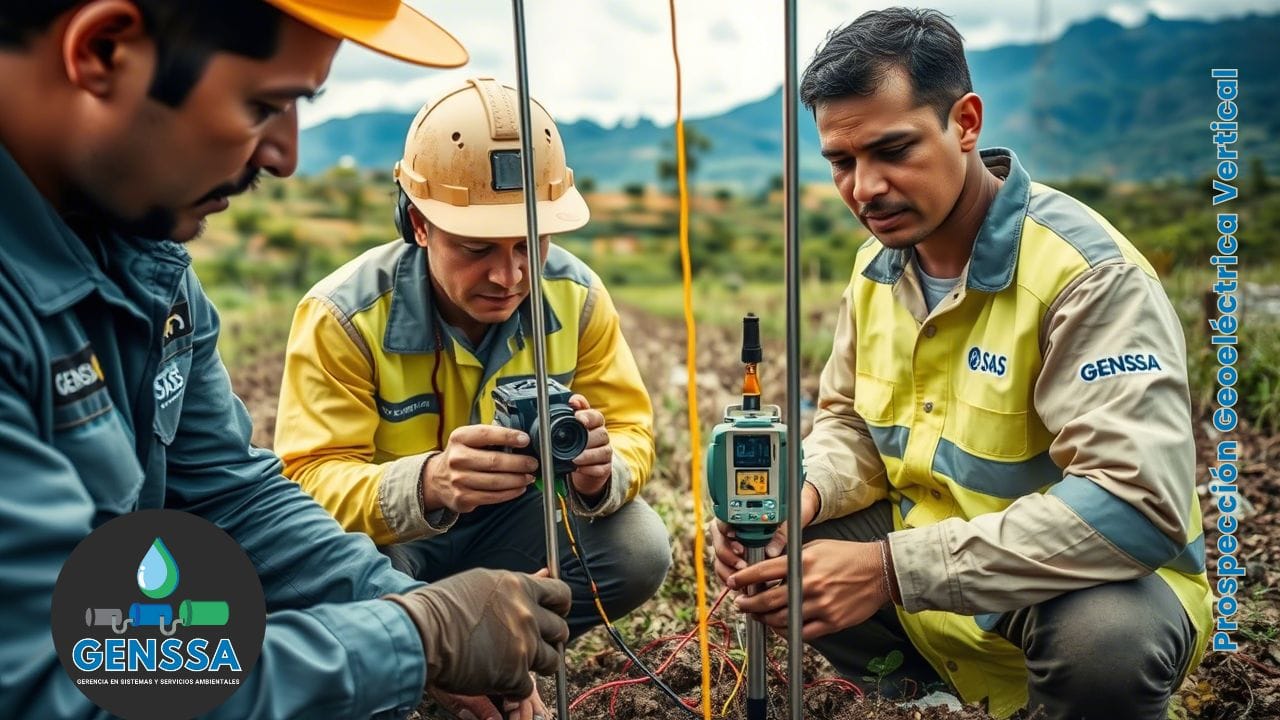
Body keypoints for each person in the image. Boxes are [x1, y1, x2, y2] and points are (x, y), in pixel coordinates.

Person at [0, 3, 572, 719]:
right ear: (103, 52)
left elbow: (231, 498)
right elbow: (59, 681)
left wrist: (405, 606)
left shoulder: (150, 271)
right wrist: (416, 636)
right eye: (263, 106)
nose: (285, 156)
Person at [711, 8, 1212, 720]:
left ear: (966, 123)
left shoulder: (1087, 278)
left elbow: (1136, 508)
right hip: (935, 587)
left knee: (1108, 643)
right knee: (780, 543)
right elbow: (850, 423)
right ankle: (926, 700)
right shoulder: (874, 270)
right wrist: (803, 496)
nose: (866, 188)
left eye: (893, 150)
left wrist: (888, 570)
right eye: (843, 162)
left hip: (1064, 593)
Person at [274, 77, 672, 720]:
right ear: (418, 224)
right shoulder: (343, 315)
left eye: (528, 246)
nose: (509, 276)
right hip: (394, 550)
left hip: (516, 532)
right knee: (332, 574)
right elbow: (306, 482)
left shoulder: (577, 296)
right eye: (477, 248)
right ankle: (419, 652)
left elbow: (629, 426)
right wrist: (429, 483)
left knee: (636, 546)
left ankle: (505, 646)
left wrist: (603, 472)